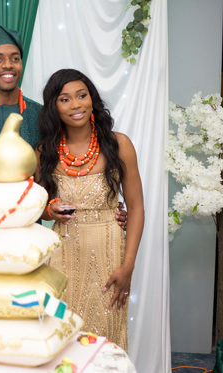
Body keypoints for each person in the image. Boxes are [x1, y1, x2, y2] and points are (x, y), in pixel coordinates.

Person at [0, 27, 128, 319]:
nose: (7, 65)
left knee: (25, 324)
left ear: (22, 64)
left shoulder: (42, 117)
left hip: (27, 241)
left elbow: (60, 170)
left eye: (14, 58)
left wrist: (104, 204)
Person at [35, 69, 144, 350]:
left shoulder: (120, 145)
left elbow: (136, 207)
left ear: (92, 99)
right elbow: (37, 209)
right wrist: (50, 209)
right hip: (62, 258)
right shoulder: (44, 151)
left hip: (109, 253)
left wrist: (128, 266)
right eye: (65, 99)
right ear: (54, 107)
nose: (76, 105)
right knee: (61, 336)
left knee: (106, 339)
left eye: (81, 96)